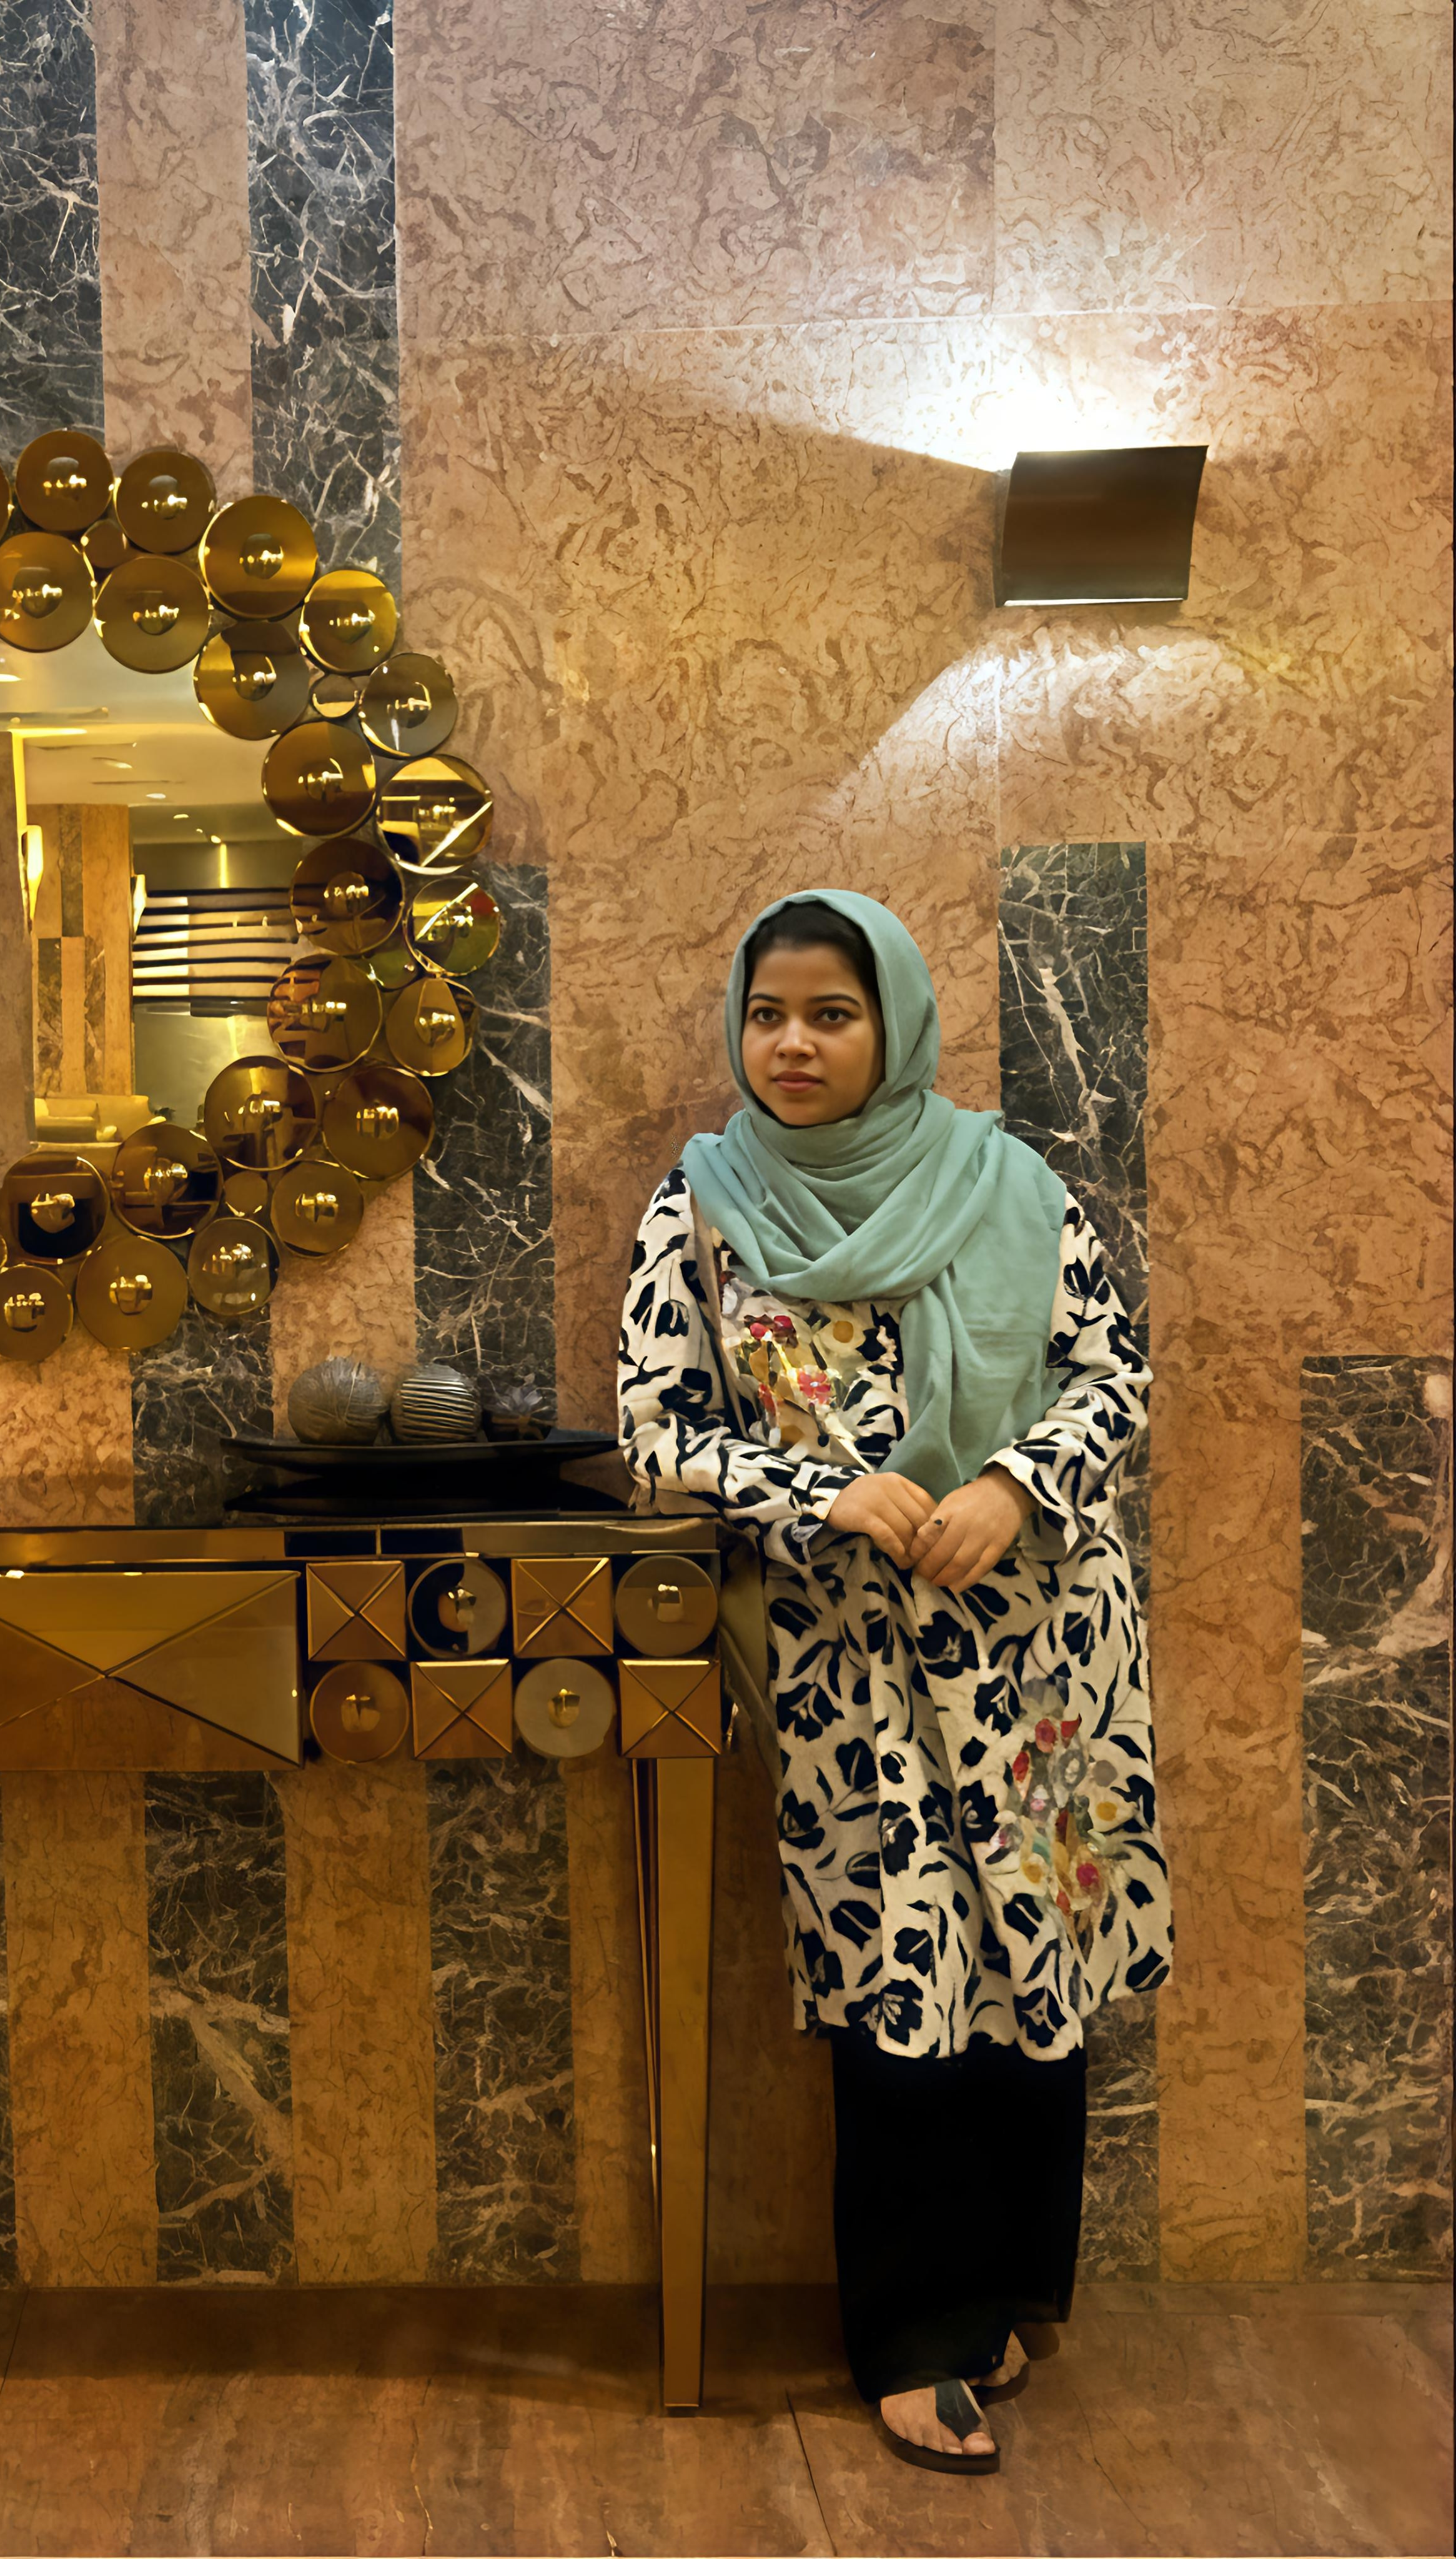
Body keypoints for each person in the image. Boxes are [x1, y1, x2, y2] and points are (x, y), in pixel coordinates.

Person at [616, 890, 1170, 2475]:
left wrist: (1005, 1482)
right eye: (767, 1013)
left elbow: (1110, 1373)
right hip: (847, 1661)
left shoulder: (1009, 1182)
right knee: (899, 1969)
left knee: (1030, 1960)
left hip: (1034, 1639)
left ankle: (1000, 2289)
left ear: (895, 1023)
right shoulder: (705, 1201)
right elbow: (655, 1428)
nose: (791, 1044)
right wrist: (818, 1492)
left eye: (831, 1013)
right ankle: (911, 2332)